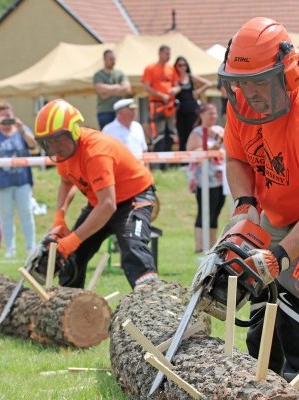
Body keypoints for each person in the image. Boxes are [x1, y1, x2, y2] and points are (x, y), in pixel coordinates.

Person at [218, 17, 299, 382]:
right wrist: (244, 206)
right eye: (240, 83)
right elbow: (236, 156)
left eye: (258, 83)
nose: (248, 94)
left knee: (294, 296)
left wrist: (280, 256)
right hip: (276, 212)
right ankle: (257, 376)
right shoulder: (242, 106)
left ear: (287, 75)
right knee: (260, 292)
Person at [34, 99, 158, 289]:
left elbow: (108, 205)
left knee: (133, 248)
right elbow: (66, 183)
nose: (54, 147)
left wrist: (73, 239)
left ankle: (151, 301)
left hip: (133, 197)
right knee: (72, 255)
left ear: (74, 131)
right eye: (48, 142)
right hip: (101, 201)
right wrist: (59, 216)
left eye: (57, 139)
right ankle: (67, 303)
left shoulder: (95, 152)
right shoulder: (64, 154)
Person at [0, 100, 37, 258]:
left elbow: (33, 144)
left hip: (22, 180)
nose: (6, 120)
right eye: (3, 117)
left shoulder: (20, 130)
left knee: (26, 213)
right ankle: (10, 249)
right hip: (1, 181)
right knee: (6, 215)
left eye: (8, 116)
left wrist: (21, 128)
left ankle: (30, 247)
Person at [186, 103, 225, 252]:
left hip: (220, 177)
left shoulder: (220, 131)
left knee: (216, 211)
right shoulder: (197, 132)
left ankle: (211, 245)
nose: (213, 117)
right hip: (204, 179)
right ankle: (200, 246)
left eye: (215, 114)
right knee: (204, 211)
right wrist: (211, 149)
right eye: (210, 113)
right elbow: (192, 152)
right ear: (201, 115)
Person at [141, 45, 180, 170]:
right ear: (160, 53)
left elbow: (178, 85)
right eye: (166, 53)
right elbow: (146, 87)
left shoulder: (171, 69)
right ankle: (157, 165)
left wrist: (175, 89)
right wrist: (161, 95)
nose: (169, 56)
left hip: (170, 105)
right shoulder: (150, 68)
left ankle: (166, 165)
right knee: (158, 133)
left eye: (169, 53)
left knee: (170, 133)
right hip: (157, 104)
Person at [174, 56, 212, 152]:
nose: (182, 67)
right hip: (180, 110)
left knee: (192, 131)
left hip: (192, 108)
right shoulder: (175, 78)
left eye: (184, 65)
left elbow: (208, 83)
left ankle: (192, 156)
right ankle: (183, 160)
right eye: (180, 65)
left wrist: (199, 91)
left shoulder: (190, 76)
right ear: (176, 66)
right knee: (182, 134)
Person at [93, 49, 132, 129]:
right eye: (111, 59)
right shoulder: (98, 75)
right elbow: (100, 90)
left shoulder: (120, 73)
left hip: (119, 111)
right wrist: (118, 87)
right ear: (104, 59)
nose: (113, 61)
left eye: (114, 59)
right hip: (105, 111)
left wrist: (108, 92)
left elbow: (127, 89)